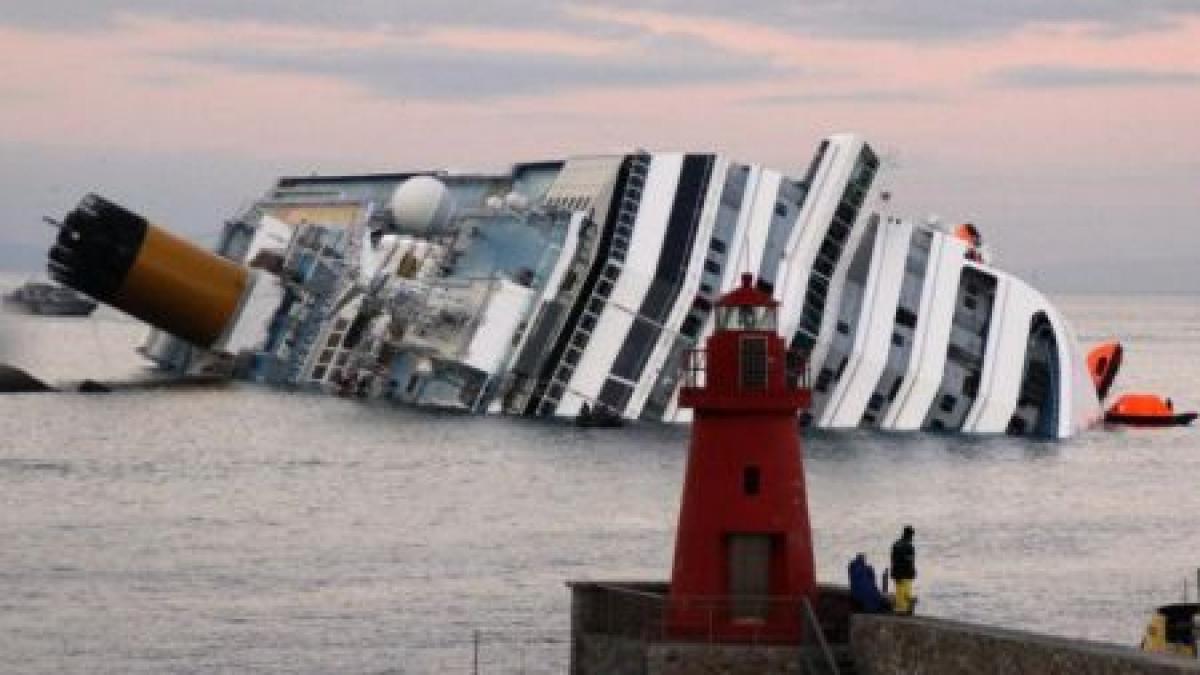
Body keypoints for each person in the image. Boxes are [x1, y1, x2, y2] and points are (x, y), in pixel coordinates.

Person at [890, 525, 917, 614]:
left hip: (897, 573)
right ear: (910, 535)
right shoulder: (909, 547)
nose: (912, 538)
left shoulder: (895, 544)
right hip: (906, 574)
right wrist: (913, 571)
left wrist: (893, 572)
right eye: (912, 536)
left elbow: (892, 560)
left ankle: (900, 608)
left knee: (899, 592)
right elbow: (910, 562)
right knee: (906, 591)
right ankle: (905, 608)